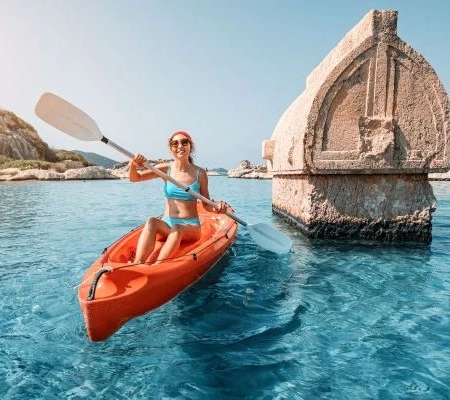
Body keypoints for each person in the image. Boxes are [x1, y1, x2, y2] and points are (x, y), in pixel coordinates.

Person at [129, 130, 228, 264]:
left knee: (177, 228)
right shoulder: (165, 169)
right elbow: (135, 178)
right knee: (151, 221)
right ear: (171, 148)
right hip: (167, 223)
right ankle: (137, 264)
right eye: (175, 143)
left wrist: (217, 208)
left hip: (190, 226)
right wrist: (133, 165)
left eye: (184, 142)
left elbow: (206, 204)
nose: (180, 146)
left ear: (190, 146)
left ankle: (157, 268)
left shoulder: (200, 173)